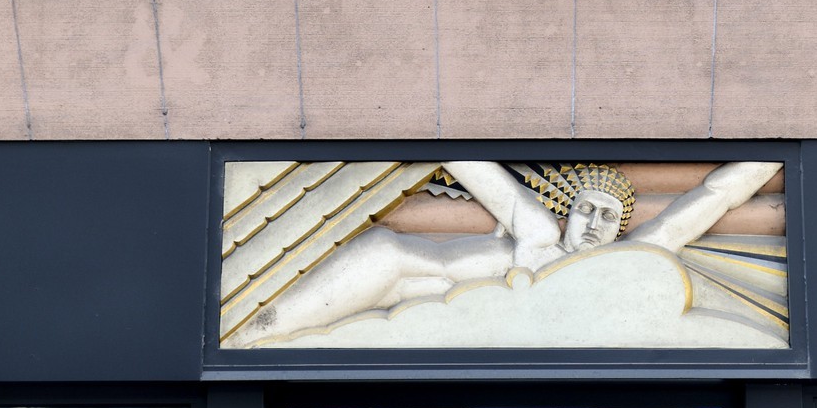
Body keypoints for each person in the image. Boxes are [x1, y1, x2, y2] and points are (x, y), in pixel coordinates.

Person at [249, 158, 779, 342]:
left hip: (418, 305)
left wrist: (784, 147)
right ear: (568, 210)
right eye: (586, 209)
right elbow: (471, 168)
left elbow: (712, 197)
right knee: (383, 252)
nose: (593, 224)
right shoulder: (539, 233)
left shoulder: (628, 261)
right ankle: (253, 335)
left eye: (608, 217)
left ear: (622, 230)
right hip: (386, 269)